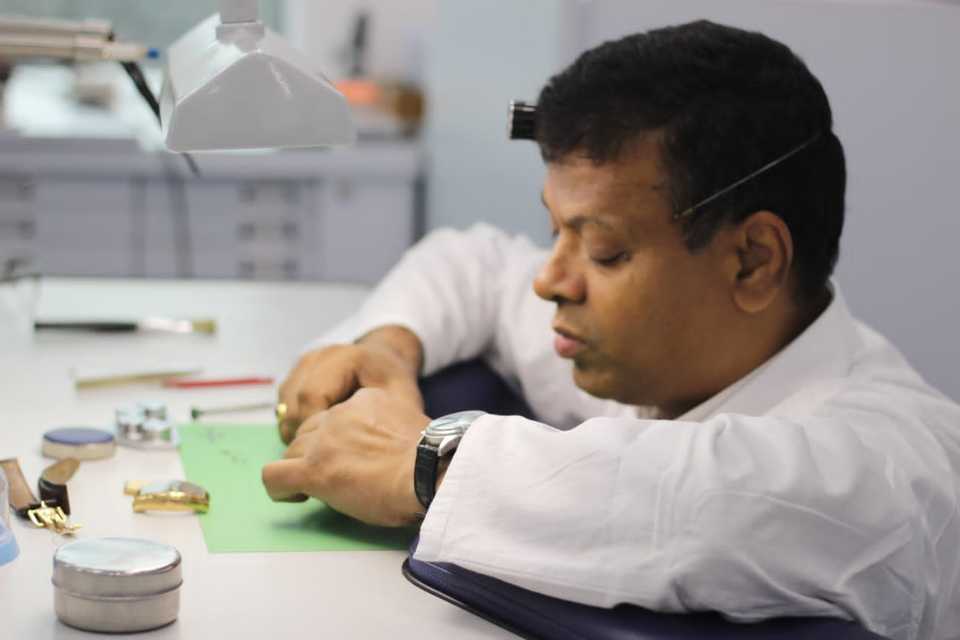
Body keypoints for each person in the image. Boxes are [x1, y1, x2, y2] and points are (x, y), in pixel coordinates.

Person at [261, 20, 960, 640]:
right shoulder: (653, 353)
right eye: (555, 231)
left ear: (752, 260)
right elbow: (474, 264)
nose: (550, 280)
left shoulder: (906, 466)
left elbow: (715, 506)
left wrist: (425, 461)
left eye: (605, 251)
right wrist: (385, 349)